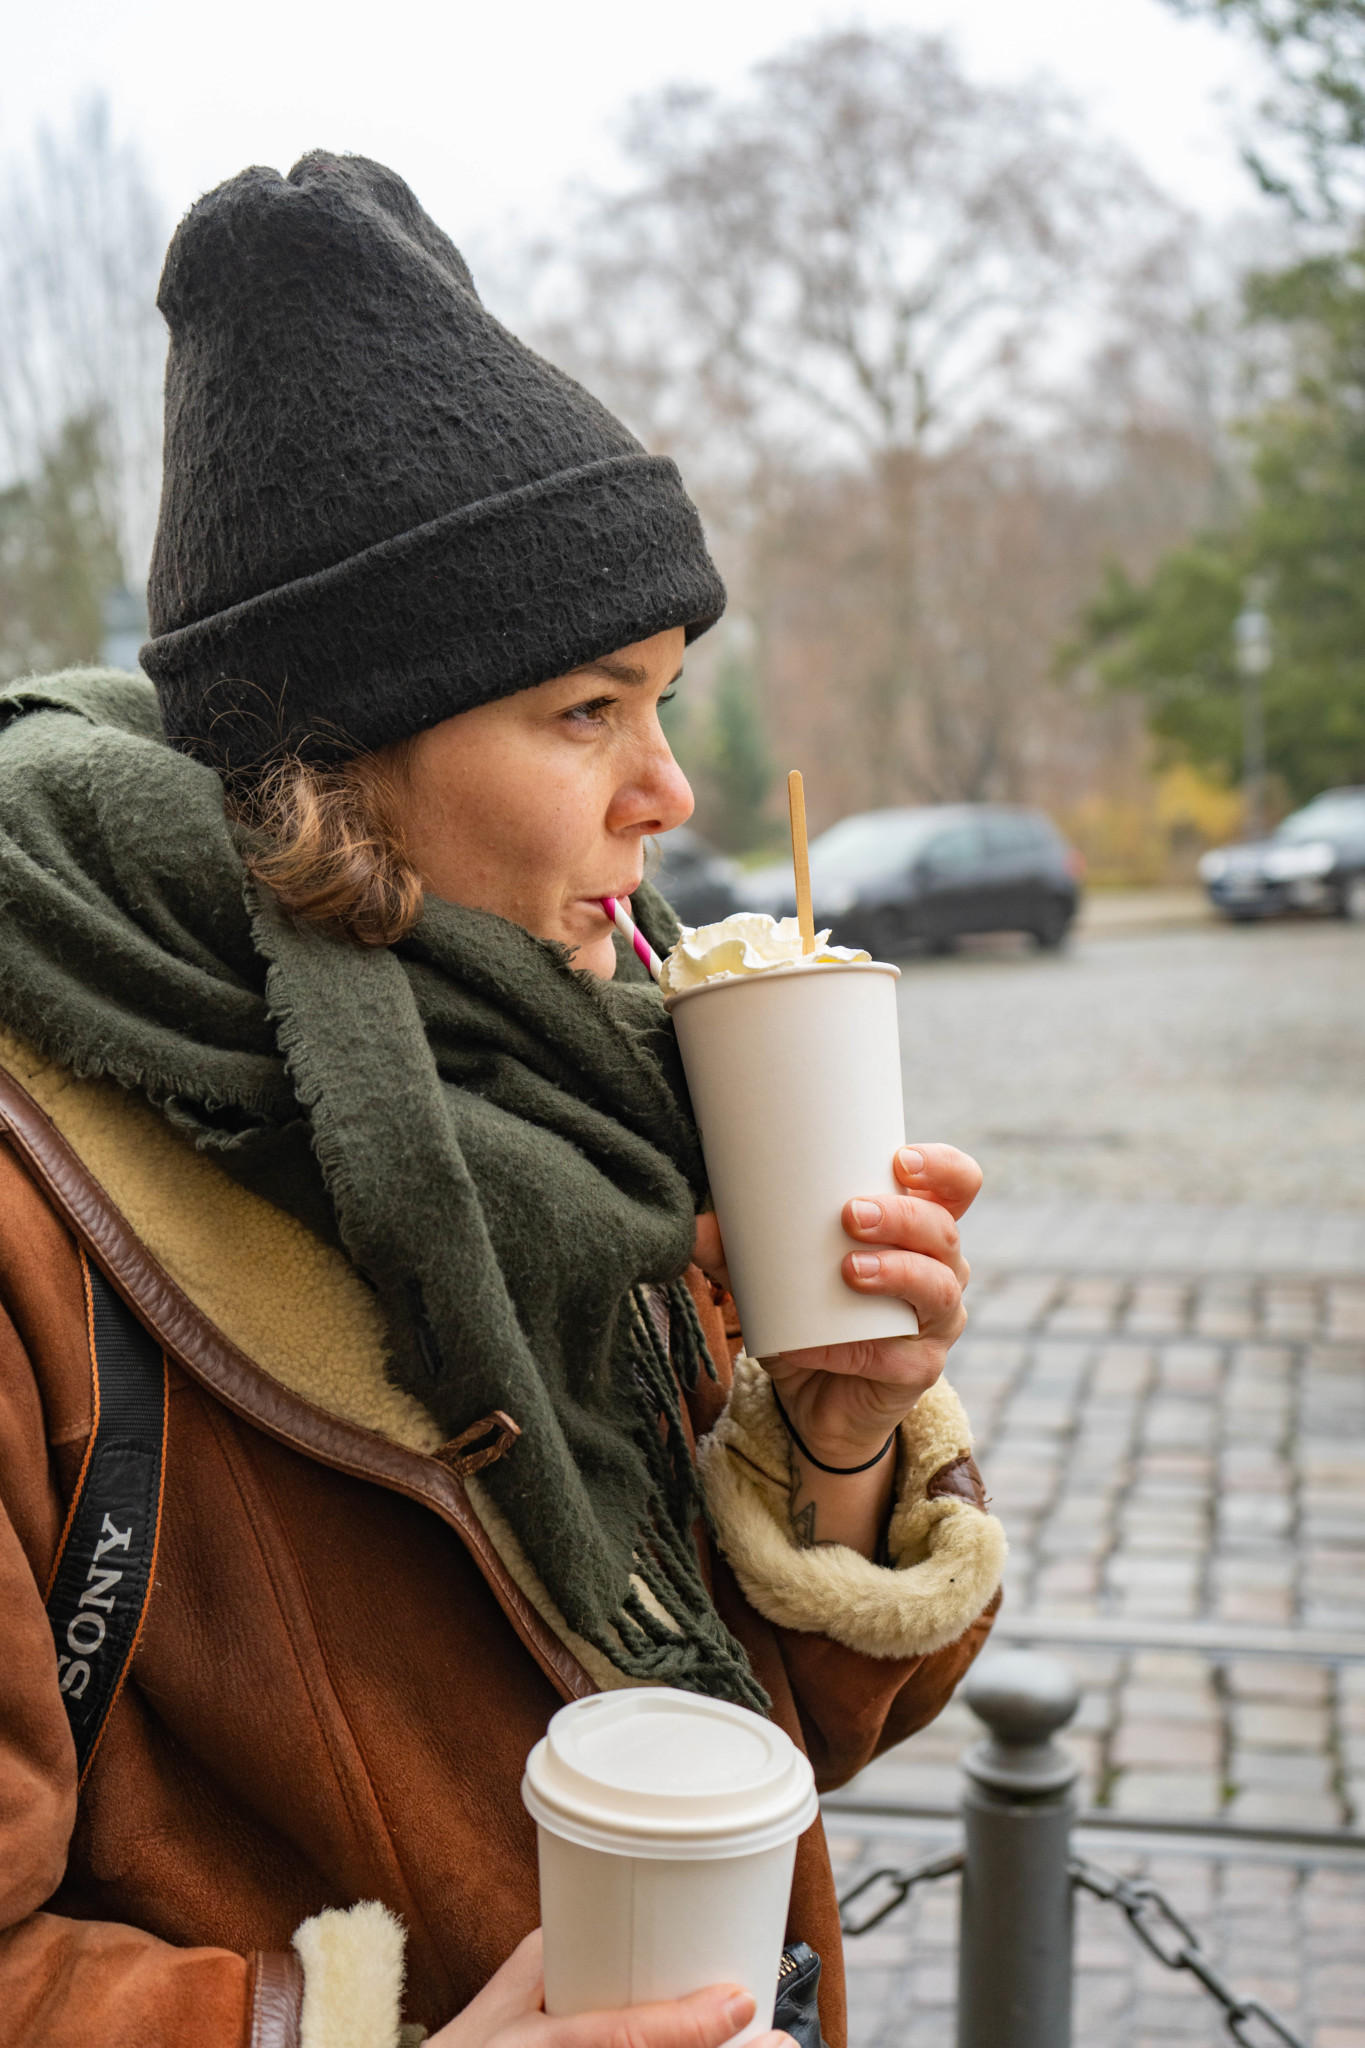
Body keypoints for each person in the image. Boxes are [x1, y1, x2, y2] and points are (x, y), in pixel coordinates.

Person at [0, 153, 1005, 2048]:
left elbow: (781, 1737)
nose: (668, 793)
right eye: (584, 711)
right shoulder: (32, 1195)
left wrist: (841, 1446)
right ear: (337, 763)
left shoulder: (602, 1073)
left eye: (669, 699)